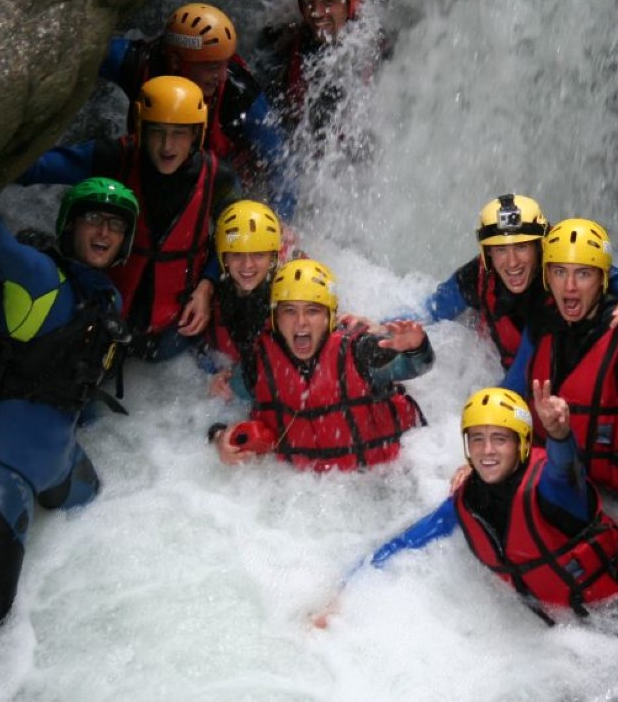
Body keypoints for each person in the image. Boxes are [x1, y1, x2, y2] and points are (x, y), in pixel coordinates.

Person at [0, 178, 138, 642]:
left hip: (60, 457)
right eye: (92, 218)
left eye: (115, 225)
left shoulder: (103, 297)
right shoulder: (37, 276)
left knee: (103, 506)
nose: (103, 232)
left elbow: (76, 385)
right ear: (70, 227)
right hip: (3, 466)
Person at [328, 384, 618, 625]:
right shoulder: (467, 501)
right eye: (477, 439)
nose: (487, 450)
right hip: (570, 635)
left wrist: (559, 434)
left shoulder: (552, 489)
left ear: (522, 444)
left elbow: (567, 469)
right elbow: (405, 544)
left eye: (500, 439)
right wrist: (344, 592)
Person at [19, 75, 240, 362]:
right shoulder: (114, 157)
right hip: (104, 322)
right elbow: (37, 168)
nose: (167, 146)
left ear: (196, 135)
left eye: (179, 133)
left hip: (173, 334)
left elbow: (235, 241)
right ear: (140, 129)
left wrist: (207, 286)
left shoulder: (217, 177)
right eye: (157, 131)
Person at [209, 258, 433, 471]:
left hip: (388, 475)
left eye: (312, 311)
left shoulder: (361, 351)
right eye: (289, 311)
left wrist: (417, 348)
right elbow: (216, 408)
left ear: (330, 317)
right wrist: (219, 438)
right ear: (275, 319)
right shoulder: (257, 366)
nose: (301, 321)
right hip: (310, 492)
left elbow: (416, 366)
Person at [100, 2, 296, 222]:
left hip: (225, 178)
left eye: (225, 64)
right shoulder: (138, 63)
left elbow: (280, 160)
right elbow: (88, 51)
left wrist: (282, 222)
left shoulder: (239, 94)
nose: (222, 76)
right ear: (175, 62)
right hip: (157, 165)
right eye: (212, 67)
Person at [502, 219, 618, 490]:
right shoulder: (542, 325)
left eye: (583, 274)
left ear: (603, 279)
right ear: (546, 276)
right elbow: (511, 393)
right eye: (559, 272)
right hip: (555, 482)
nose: (569, 287)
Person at [258, 0, 381, 138]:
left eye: (328, 2)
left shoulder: (371, 45)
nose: (316, 13)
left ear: (351, 3)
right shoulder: (285, 41)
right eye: (309, 3)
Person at [423, 194, 550, 370]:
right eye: (501, 249)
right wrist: (386, 328)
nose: (512, 262)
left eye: (522, 247)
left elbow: (520, 380)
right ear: (488, 252)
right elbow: (431, 310)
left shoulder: (564, 286)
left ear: (539, 246)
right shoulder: (479, 275)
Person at [199, 199, 284, 394]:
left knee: (240, 385)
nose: (247, 266)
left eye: (258, 255)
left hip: (270, 383)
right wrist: (214, 373)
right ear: (224, 258)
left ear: (273, 258)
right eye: (236, 255)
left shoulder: (290, 292)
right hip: (240, 375)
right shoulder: (213, 298)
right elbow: (196, 348)